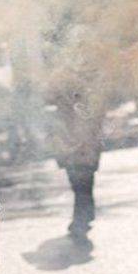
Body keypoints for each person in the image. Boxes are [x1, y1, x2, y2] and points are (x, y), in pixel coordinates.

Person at [50, 82, 107, 242]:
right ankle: (84, 217)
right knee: (83, 189)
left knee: (81, 190)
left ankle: (82, 220)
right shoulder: (79, 114)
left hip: (79, 159)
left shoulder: (75, 115)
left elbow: (93, 137)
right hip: (79, 159)